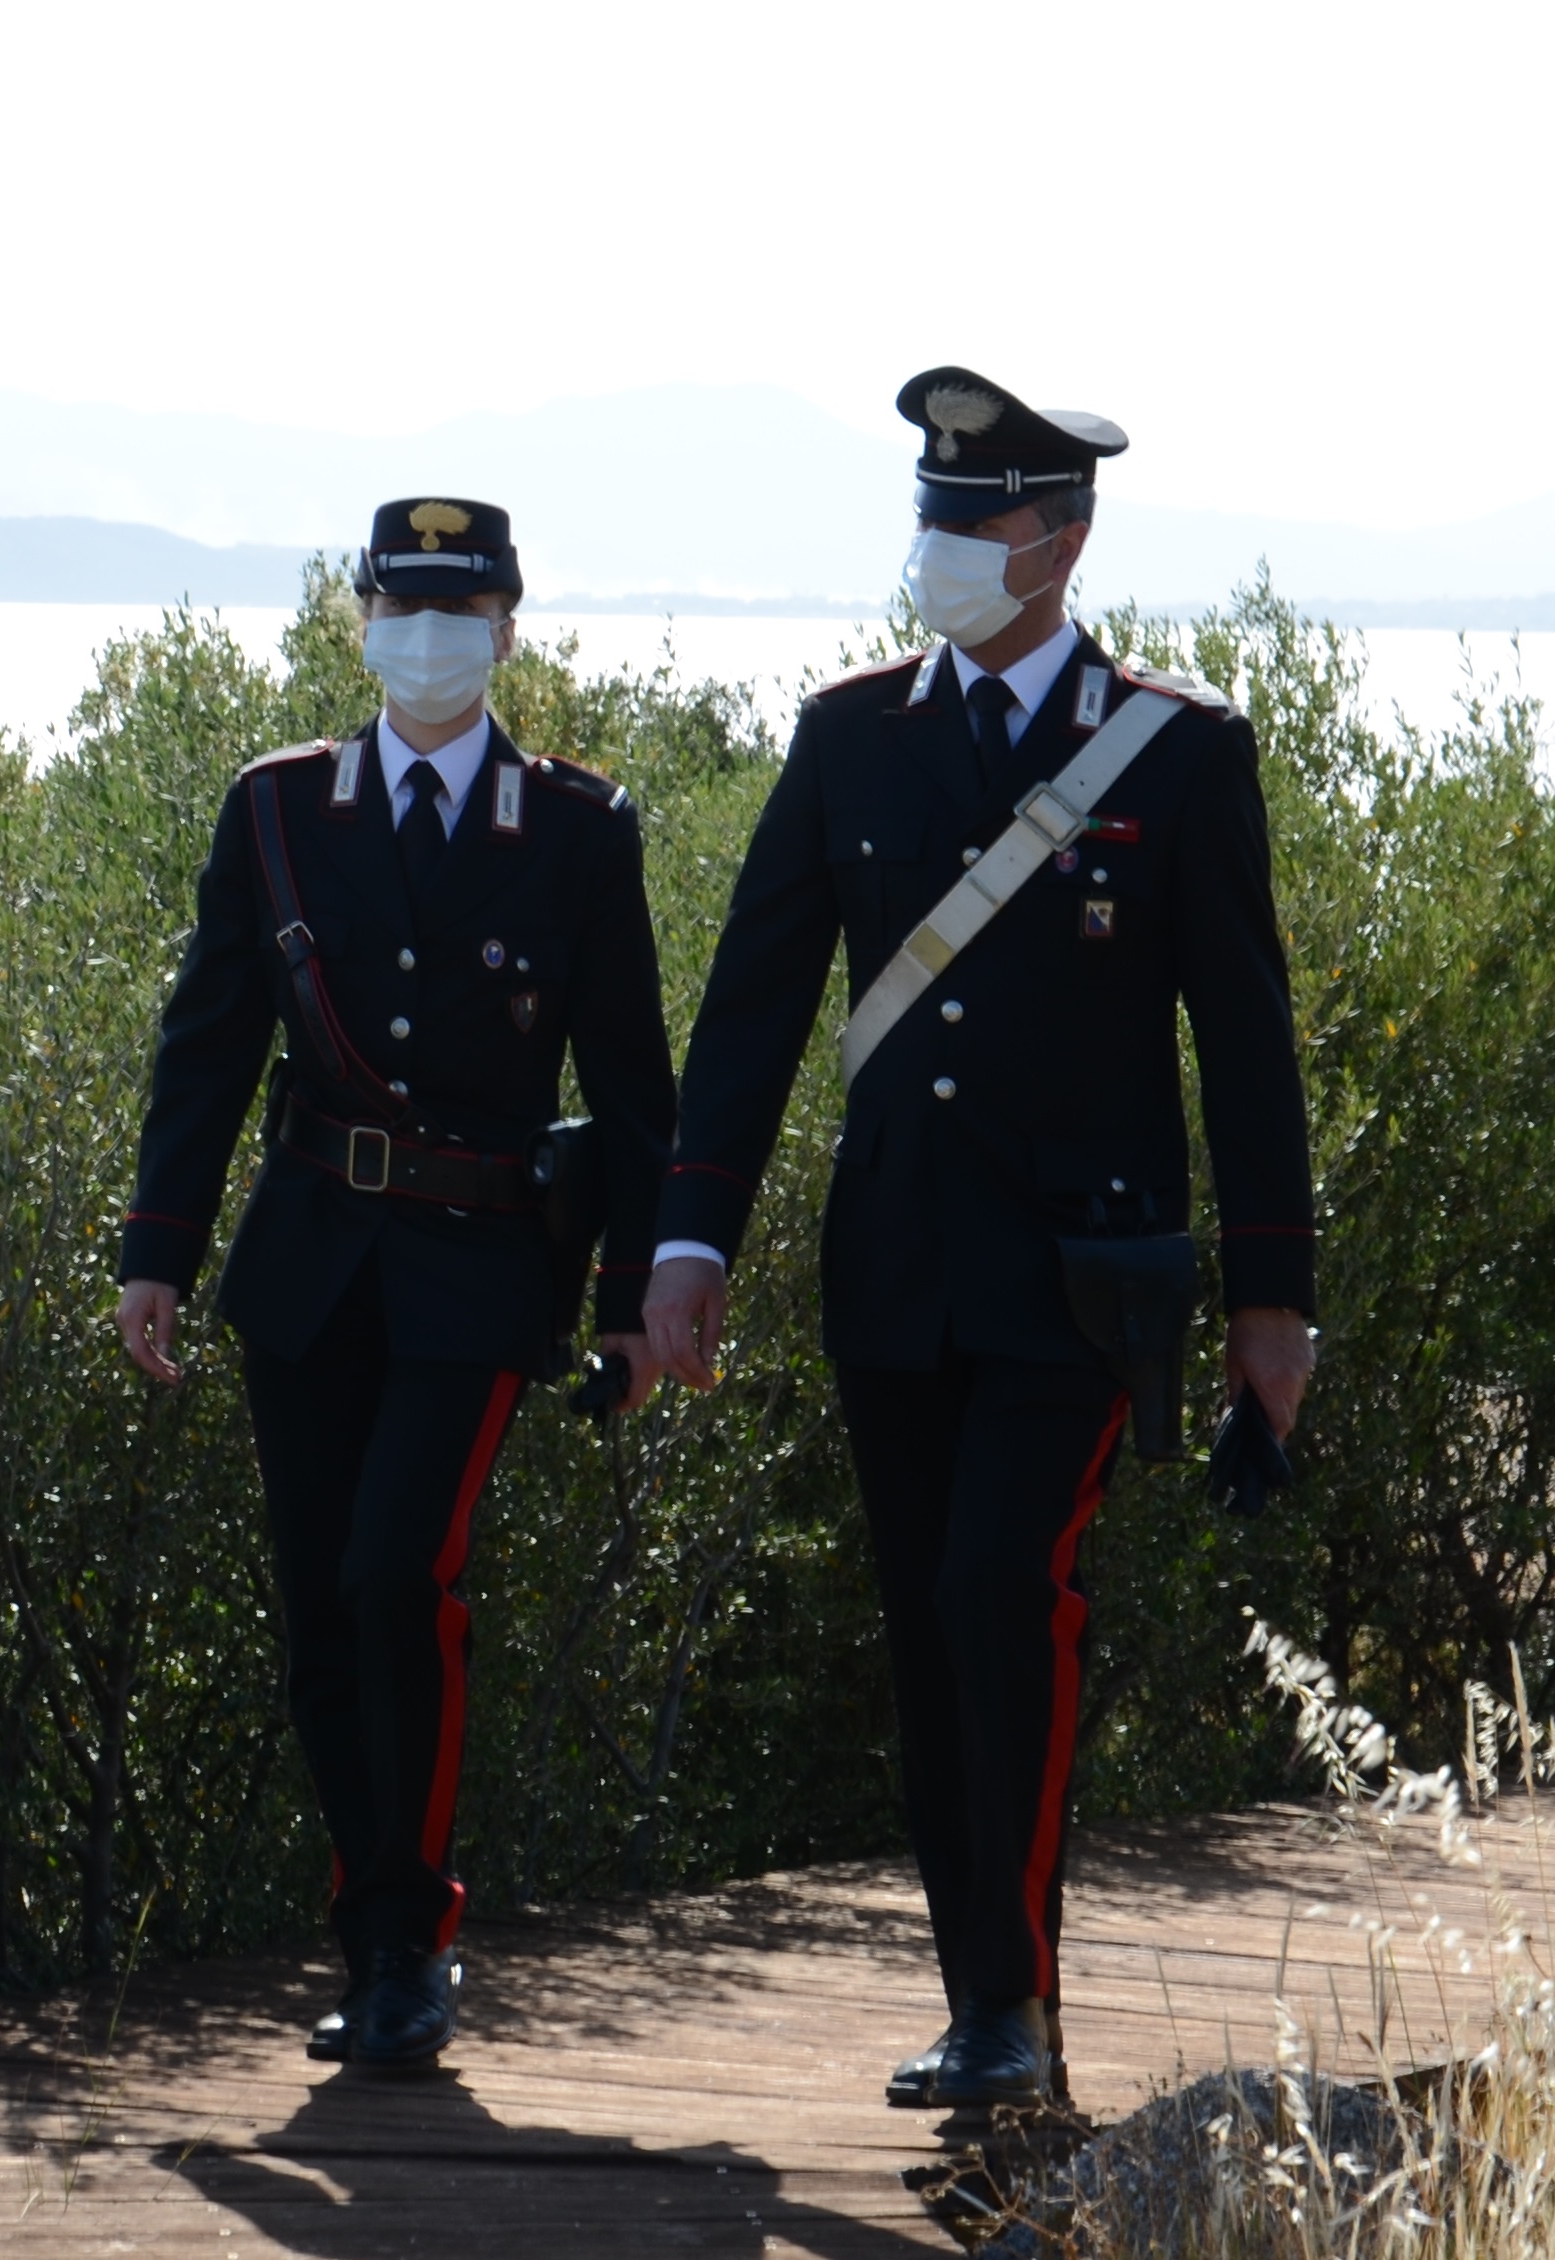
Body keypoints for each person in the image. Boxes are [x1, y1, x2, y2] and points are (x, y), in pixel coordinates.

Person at [643, 371, 1318, 2111]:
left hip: (1076, 1285)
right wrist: (688, 1240)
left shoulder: (1173, 749)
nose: (940, 544)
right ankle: (986, 2003)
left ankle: (1010, 2002)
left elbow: (1245, 1042)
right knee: (927, 1630)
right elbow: (751, 1006)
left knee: (995, 1594)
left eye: (976, 518)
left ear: (1061, 538)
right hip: (892, 1266)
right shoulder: (849, 733)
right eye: (928, 513)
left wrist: (1272, 1303)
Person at [116, 499, 677, 2069]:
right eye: (401, 611)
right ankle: (371, 1932)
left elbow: (633, 1085)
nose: (427, 641)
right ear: (360, 620)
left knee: (392, 1577)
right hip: (307, 1264)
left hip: (479, 1271)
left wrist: (628, 1294)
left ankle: (408, 1941)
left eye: (459, 615)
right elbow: (208, 1040)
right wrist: (157, 1249)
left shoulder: (576, 829)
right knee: (318, 1608)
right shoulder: (278, 809)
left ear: (506, 630)